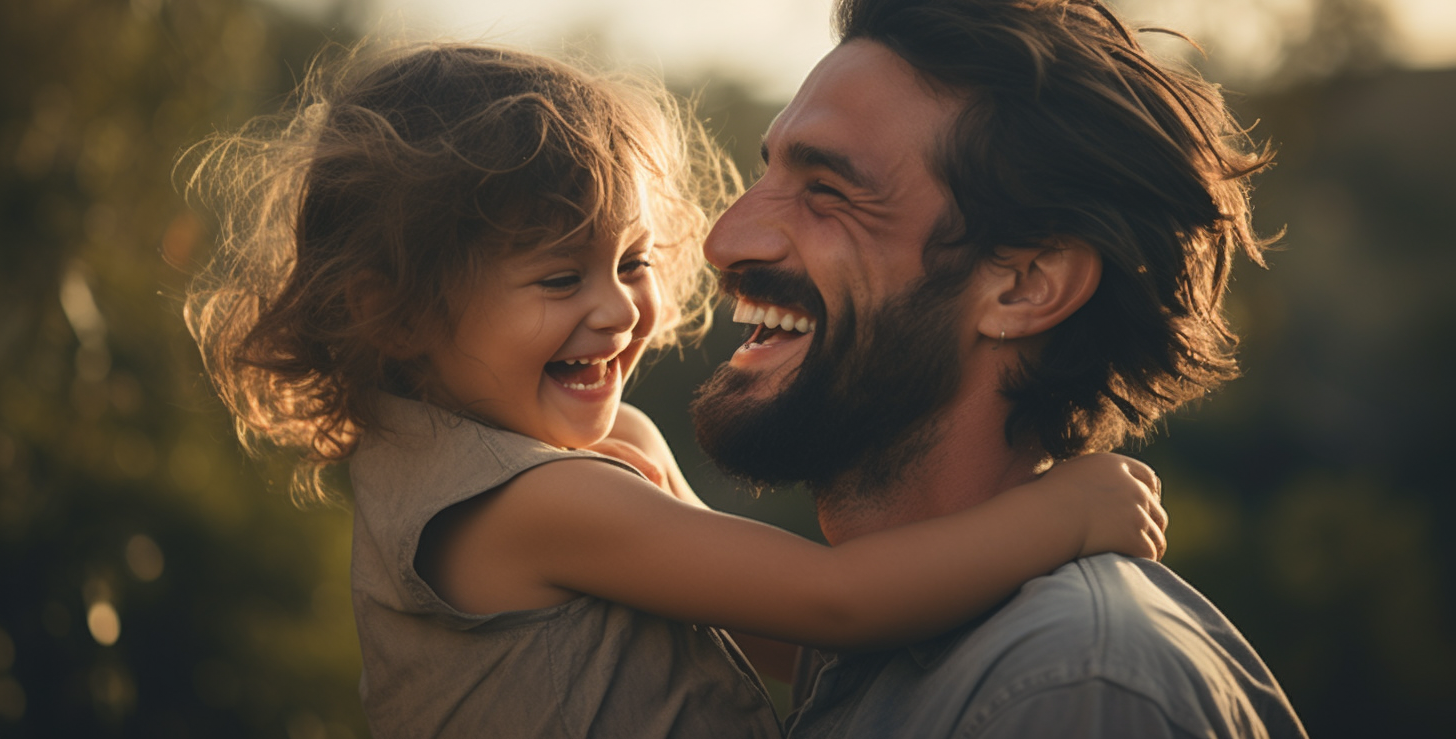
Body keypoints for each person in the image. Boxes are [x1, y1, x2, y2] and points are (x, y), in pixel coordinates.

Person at [183, 40, 1167, 738]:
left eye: (631, 260)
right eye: (558, 278)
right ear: (393, 314)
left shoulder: (539, 471)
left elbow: (773, 634)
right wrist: (1060, 513)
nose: (618, 311)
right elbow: (828, 606)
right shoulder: (530, 505)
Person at [691, 0, 1307, 737]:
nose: (724, 239)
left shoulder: (1072, 690)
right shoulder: (877, 648)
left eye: (827, 191)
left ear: (1025, 286)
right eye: (767, 172)